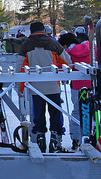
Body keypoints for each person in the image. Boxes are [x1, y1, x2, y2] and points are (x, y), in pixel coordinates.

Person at [18, 21, 72, 153]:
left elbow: (20, 69)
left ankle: (40, 140)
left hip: (35, 88)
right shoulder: (53, 43)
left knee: (38, 115)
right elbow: (68, 61)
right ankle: (56, 140)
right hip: (53, 86)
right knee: (55, 114)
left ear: (31, 31)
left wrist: (20, 88)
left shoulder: (26, 45)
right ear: (43, 30)